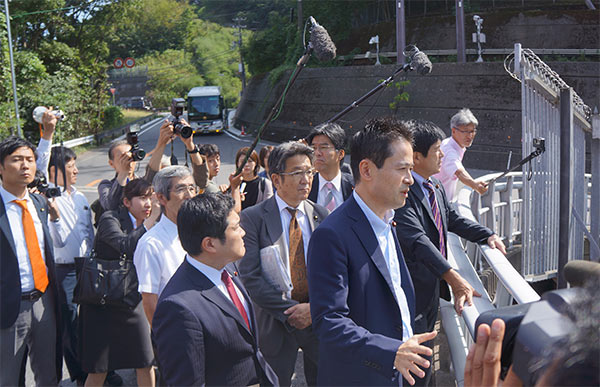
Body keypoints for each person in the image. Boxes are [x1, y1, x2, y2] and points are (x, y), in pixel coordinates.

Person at [307, 117, 437, 386]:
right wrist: (391, 352)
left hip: (400, 372)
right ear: (366, 170)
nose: (410, 180)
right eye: (402, 168)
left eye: (411, 169)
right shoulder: (332, 234)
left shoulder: (389, 220)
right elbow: (329, 321)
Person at [394, 119, 506, 386]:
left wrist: (487, 234)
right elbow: (416, 240)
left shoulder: (435, 186)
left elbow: (452, 219)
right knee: (414, 359)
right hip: (411, 289)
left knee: (424, 357)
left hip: (431, 289)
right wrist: (453, 278)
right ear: (417, 157)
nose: (442, 155)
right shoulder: (403, 192)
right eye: (436, 151)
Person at [152, 193, 279, 386]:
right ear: (210, 244)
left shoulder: (227, 267)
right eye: (236, 228)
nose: (243, 233)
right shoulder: (178, 308)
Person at [238, 142, 328, 386]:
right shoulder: (253, 218)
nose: (306, 179)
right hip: (275, 322)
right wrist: (289, 311)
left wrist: (313, 309)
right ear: (276, 180)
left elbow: (334, 273)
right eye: (297, 173)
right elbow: (250, 277)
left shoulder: (321, 215)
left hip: (316, 319)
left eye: (309, 172)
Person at [79, 179, 156, 387]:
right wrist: (149, 224)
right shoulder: (109, 218)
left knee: (145, 360)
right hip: (102, 300)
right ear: (127, 202)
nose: (148, 203)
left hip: (132, 298)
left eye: (150, 197)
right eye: (142, 198)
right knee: (99, 367)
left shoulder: (153, 222)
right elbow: (125, 245)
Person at [0, 136, 62, 386]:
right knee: (8, 377)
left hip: (44, 300)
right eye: (16, 159)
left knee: (49, 374)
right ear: (1, 167)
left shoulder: (39, 203)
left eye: (30, 159)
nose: (26, 165)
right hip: (9, 307)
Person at [97, 119, 208, 212]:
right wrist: (123, 174)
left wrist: (189, 144)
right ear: (111, 163)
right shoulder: (106, 186)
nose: (129, 160)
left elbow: (201, 181)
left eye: (131, 156)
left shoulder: (141, 181)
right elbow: (111, 207)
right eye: (123, 157)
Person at [134, 166, 195, 325]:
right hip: (175, 329)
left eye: (192, 188)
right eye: (181, 189)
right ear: (161, 198)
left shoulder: (200, 234)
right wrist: (162, 339)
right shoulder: (151, 244)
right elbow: (149, 300)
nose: (189, 195)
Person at [433, 108, 488, 201]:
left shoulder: (449, 143)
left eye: (472, 131)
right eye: (465, 131)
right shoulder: (448, 150)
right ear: (454, 131)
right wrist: (475, 185)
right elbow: (459, 171)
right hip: (436, 203)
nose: (470, 136)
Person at [306, 123, 354, 211]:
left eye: (323, 147)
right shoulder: (305, 186)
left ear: (340, 154)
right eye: (314, 148)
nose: (317, 153)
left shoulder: (355, 187)